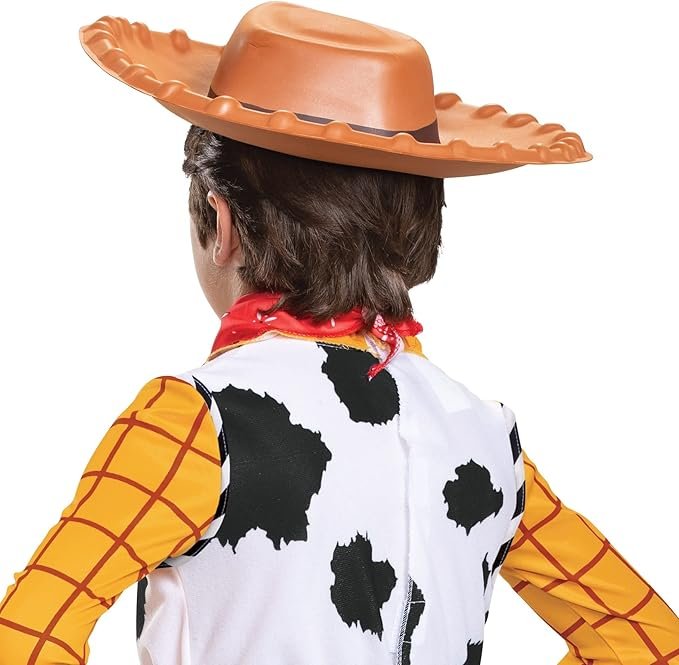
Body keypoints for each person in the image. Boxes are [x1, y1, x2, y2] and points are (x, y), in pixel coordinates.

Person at [1, 3, 678, 664]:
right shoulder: (483, 437)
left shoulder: (196, 421)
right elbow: (647, 640)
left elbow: (24, 638)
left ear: (221, 222)